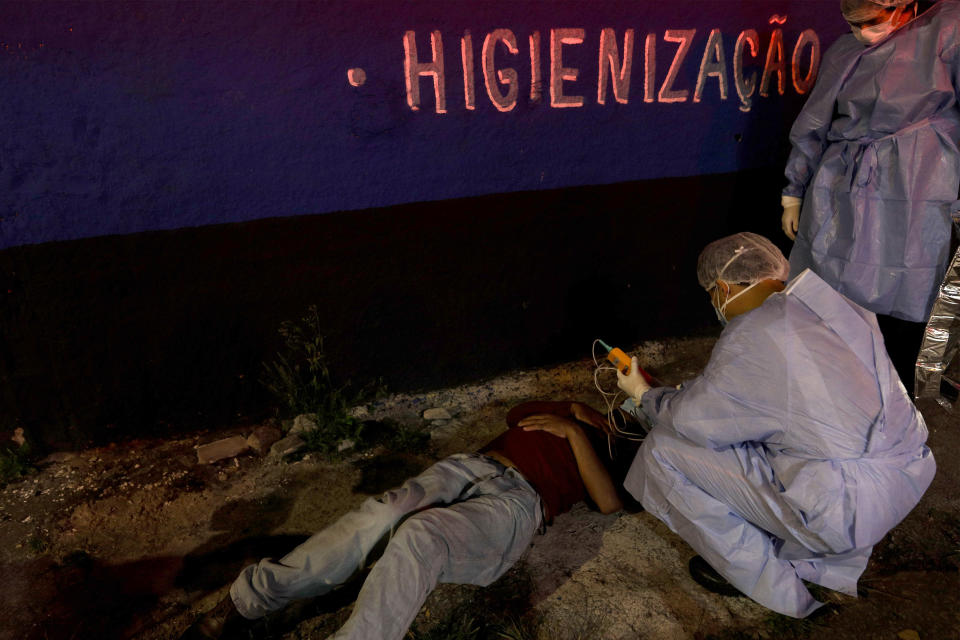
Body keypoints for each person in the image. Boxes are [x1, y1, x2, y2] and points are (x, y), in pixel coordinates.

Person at [616, 232, 936, 618]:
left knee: (662, 451)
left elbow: (690, 421)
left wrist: (644, 394)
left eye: (711, 296)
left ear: (721, 288)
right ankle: (813, 552)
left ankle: (765, 580)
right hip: (903, 479)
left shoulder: (752, 332)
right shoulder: (831, 308)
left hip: (842, 509)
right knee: (759, 444)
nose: (715, 306)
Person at [180, 400, 626, 640]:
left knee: (421, 536)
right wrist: (573, 409)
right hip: (471, 465)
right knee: (382, 512)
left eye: (626, 417)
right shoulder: (563, 408)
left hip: (519, 501)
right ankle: (249, 602)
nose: (618, 413)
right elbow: (521, 417)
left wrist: (576, 434)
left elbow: (609, 504)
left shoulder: (609, 455)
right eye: (618, 407)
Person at [781, 0, 960, 386]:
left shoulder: (944, 35)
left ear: (904, 6)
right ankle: (844, 390)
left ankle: (898, 396)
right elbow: (815, 119)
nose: (863, 33)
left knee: (905, 288)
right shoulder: (845, 53)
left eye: (872, 21)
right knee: (836, 284)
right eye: (853, 23)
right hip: (844, 183)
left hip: (921, 181)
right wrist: (794, 190)